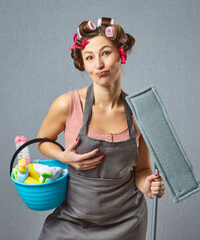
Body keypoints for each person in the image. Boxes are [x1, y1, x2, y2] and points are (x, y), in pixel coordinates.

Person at [36, 17, 166, 240]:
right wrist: (64, 156)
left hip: (126, 223)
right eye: (89, 57)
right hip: (72, 220)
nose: (99, 64)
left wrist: (149, 185)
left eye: (106, 53)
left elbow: (141, 170)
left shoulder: (139, 112)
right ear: (83, 64)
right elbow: (42, 141)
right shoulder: (67, 104)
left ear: (121, 54)